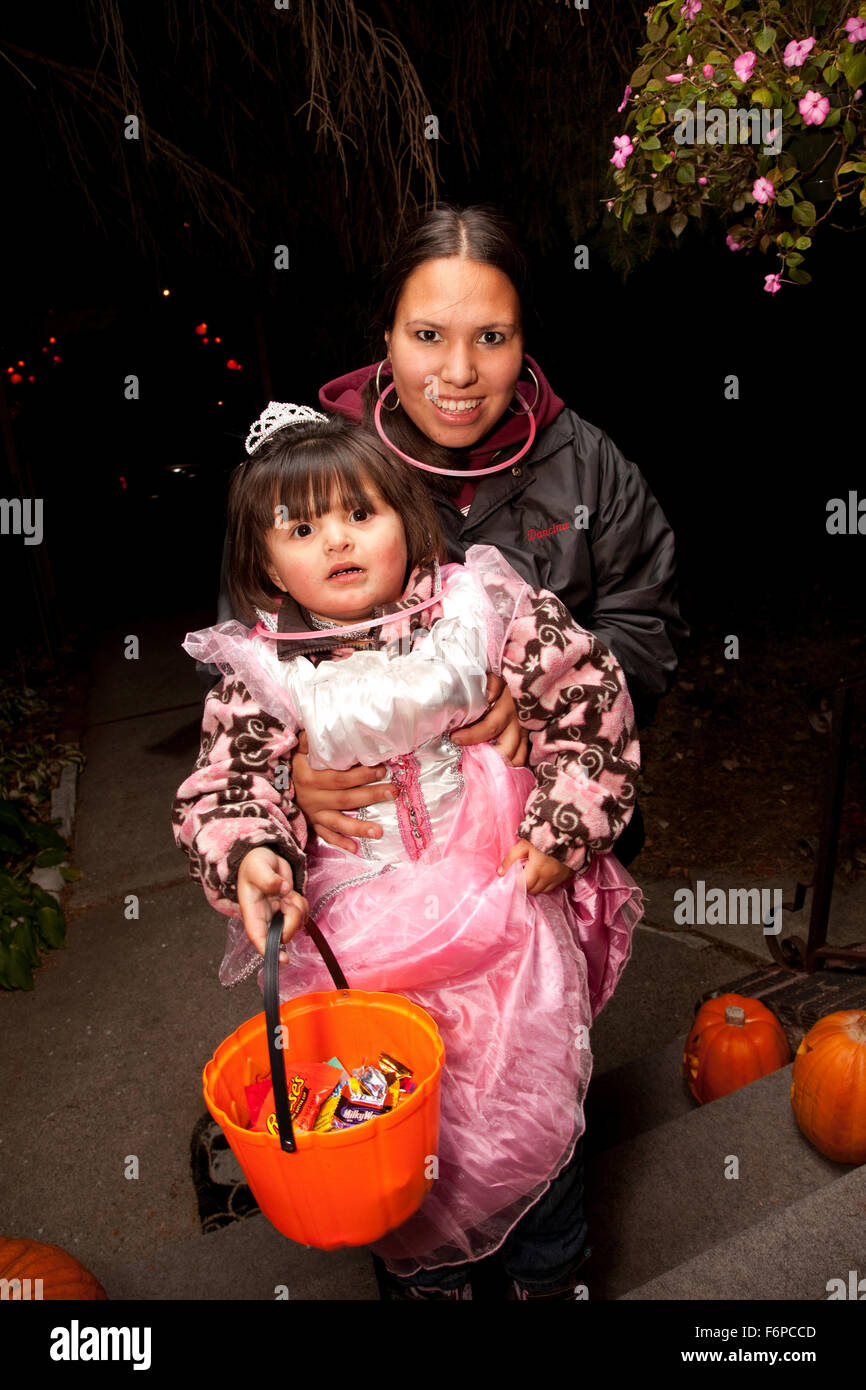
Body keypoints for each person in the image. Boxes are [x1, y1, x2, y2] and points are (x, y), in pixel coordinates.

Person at [174, 405, 644, 1298]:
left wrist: (563, 824)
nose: (337, 541)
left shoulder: (479, 610)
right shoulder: (265, 674)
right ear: (263, 563)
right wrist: (252, 855)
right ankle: (429, 1282)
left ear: (409, 518)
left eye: (362, 513)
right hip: (362, 948)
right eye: (302, 527)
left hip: (501, 907)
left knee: (528, 1108)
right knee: (394, 1126)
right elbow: (225, 786)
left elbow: (590, 701)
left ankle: (552, 1271)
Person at [203, 204, 687, 871]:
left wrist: (542, 707)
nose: (458, 372)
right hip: (374, 871)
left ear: (524, 343)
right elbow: (243, 666)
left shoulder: (585, 462)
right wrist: (290, 778)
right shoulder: (316, 476)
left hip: (543, 851)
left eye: (491, 337)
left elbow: (645, 622)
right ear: (387, 335)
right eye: (428, 334)